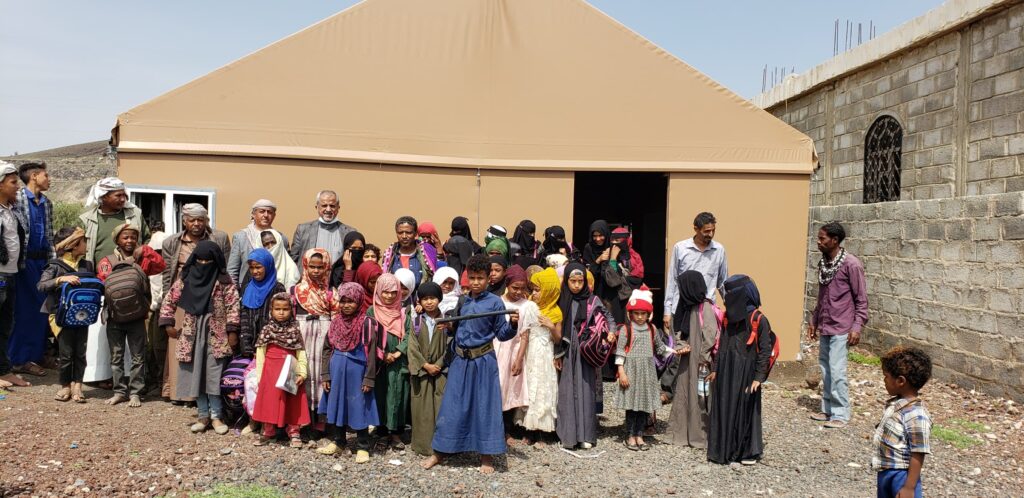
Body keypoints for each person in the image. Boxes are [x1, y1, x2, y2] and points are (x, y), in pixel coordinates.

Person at [422, 254, 517, 474]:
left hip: (483, 362)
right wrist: (449, 327)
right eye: (472, 277)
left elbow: (501, 335)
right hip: (460, 361)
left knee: (485, 407)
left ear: (488, 279)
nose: (476, 282)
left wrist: (513, 324)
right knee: (452, 406)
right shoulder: (463, 301)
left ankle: (486, 456)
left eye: (480, 278)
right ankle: (441, 452)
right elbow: (459, 328)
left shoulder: (495, 303)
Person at [159, 241, 241, 434]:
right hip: (192, 333)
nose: (204, 264)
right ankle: (203, 415)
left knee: (213, 374)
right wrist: (167, 323)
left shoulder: (224, 281)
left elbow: (233, 305)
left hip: (216, 334)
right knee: (196, 374)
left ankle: (217, 416)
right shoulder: (186, 278)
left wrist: (232, 331)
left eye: (208, 260)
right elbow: (170, 299)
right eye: (200, 260)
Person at [79, 177, 151, 385]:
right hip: (100, 281)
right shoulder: (88, 219)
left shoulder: (134, 214)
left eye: (123, 194)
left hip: (131, 280)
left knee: (133, 326)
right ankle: (101, 375)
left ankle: (131, 378)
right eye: (117, 195)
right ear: (103, 197)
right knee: (102, 330)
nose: (123, 198)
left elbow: (146, 240)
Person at [159, 203, 230, 402]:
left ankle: (202, 393)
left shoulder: (220, 238)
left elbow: (225, 268)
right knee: (180, 345)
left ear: (206, 220)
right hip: (183, 299)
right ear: (184, 221)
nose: (197, 224)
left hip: (211, 298)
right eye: (192, 220)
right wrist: (168, 308)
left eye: (201, 220)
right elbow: (168, 276)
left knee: (207, 347)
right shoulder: (171, 242)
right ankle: (176, 391)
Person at [97, 223, 167, 407]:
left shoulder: (143, 258)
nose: (130, 240)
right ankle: (119, 391)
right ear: (117, 240)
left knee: (138, 356)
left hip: (137, 317)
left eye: (133, 237)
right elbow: (103, 283)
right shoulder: (107, 262)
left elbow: (161, 265)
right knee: (116, 356)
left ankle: (135, 392)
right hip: (114, 316)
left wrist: (146, 250)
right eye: (125, 237)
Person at [808, 221, 869, 429]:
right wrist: (814, 319)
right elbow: (822, 296)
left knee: (837, 369)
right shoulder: (824, 263)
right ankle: (828, 410)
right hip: (826, 324)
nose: (818, 242)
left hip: (842, 326)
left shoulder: (851, 264)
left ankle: (841, 414)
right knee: (826, 369)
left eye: (822, 238)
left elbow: (861, 299)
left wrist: (857, 326)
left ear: (834, 240)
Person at [707, 275, 773, 465]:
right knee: (726, 406)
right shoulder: (728, 318)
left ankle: (747, 452)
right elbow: (722, 345)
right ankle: (724, 449)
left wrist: (758, 378)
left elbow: (765, 351)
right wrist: (716, 369)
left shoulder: (759, 319)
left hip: (747, 374)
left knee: (746, 410)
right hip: (727, 373)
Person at [614, 287, 687, 451]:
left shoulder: (652, 329)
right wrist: (621, 371)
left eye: (643, 313)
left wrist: (674, 351)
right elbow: (619, 352)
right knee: (632, 405)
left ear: (649, 314)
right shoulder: (626, 329)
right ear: (631, 313)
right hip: (631, 371)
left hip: (647, 372)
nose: (640, 317)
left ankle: (640, 434)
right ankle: (630, 435)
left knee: (644, 405)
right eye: (636, 313)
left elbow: (660, 348)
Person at [555, 262, 616, 450]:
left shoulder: (592, 300)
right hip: (567, 351)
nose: (576, 285)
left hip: (586, 350)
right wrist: (556, 353)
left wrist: (612, 331)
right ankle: (568, 435)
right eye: (572, 281)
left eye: (580, 281)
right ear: (566, 281)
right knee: (567, 389)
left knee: (585, 389)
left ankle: (585, 434)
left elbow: (609, 317)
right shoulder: (561, 299)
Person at [317, 282, 379, 463]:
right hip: (336, 370)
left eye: (351, 301)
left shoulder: (367, 323)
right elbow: (327, 349)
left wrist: (369, 378)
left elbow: (372, 352)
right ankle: (338, 441)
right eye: (343, 301)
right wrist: (325, 374)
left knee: (359, 406)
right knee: (337, 405)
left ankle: (362, 445)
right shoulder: (335, 323)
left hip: (357, 372)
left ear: (359, 301)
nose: (346, 305)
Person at [37, 227, 92, 402]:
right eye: (83, 241)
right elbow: (41, 285)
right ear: (74, 245)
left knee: (81, 352)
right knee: (67, 352)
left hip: (83, 315)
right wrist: (60, 279)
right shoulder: (55, 266)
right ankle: (65, 386)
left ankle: (78, 386)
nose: (85, 245)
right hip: (60, 315)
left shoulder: (87, 265)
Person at [10, 162, 54, 378]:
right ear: (34, 176)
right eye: (46, 175)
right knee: (24, 310)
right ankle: (20, 359)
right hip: (22, 263)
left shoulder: (46, 203)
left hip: (41, 263)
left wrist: (52, 264)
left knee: (41, 309)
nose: (49, 179)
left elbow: (50, 235)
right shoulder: (16, 199)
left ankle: (35, 355)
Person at [667, 271, 720, 448]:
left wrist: (704, 358)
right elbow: (677, 332)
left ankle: (700, 437)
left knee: (700, 396)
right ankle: (681, 434)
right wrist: (680, 345)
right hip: (686, 359)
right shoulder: (685, 306)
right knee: (684, 393)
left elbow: (710, 335)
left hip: (700, 361)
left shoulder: (705, 308)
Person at [252, 293, 311, 448]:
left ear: (291, 310)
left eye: (285, 309)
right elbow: (260, 354)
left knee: (292, 401)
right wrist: (260, 377)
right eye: (277, 309)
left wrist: (302, 372)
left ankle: (293, 431)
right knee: (270, 401)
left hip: (291, 369)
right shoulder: (267, 330)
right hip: (270, 372)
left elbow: (301, 352)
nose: (281, 312)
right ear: (271, 310)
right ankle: (269, 431)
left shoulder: (295, 329)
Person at [873, 347, 932, 498]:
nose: (884, 380)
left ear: (900, 381)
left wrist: (909, 487)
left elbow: (918, 452)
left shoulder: (917, 416)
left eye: (886, 376)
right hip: (886, 471)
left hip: (902, 475)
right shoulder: (896, 405)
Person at [291, 248, 339, 433]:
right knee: (303, 373)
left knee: (321, 374)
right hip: (301, 333)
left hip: (323, 336)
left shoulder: (330, 292)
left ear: (326, 267)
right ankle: (301, 417)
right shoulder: (295, 291)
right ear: (305, 266)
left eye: (320, 267)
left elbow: (336, 316)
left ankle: (320, 417)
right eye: (312, 267)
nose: (316, 271)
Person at [515, 267, 562, 445]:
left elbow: (557, 339)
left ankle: (542, 430)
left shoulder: (556, 312)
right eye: (533, 289)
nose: (534, 293)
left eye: (538, 290)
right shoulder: (530, 307)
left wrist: (550, 326)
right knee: (528, 387)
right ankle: (528, 429)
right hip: (530, 353)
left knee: (544, 390)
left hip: (546, 355)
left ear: (550, 290)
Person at [366, 273, 411, 449]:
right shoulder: (372, 311)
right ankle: (382, 432)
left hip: (399, 362)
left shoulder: (403, 312)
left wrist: (398, 352)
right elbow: (369, 337)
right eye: (385, 292)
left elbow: (409, 334)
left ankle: (396, 434)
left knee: (398, 395)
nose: (390, 296)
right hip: (379, 362)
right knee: (381, 394)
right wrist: (382, 354)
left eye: (394, 292)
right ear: (378, 291)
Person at [407, 281, 452, 456]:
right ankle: (423, 446)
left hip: (441, 372)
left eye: (432, 298)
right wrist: (425, 365)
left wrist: (439, 364)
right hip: (422, 371)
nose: (429, 302)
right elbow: (412, 347)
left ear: (439, 299)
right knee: (421, 409)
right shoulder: (416, 321)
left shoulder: (447, 321)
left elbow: (450, 345)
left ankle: (442, 447)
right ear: (420, 301)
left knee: (441, 407)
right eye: (425, 299)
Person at [582, 220, 630, 381]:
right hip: (597, 294)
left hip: (613, 296)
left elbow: (618, 276)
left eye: (601, 235)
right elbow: (588, 275)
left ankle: (612, 370)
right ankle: (597, 368)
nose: (598, 239)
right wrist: (598, 261)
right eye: (594, 236)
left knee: (613, 328)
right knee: (597, 329)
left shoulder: (614, 249)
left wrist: (611, 258)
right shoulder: (588, 249)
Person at [664, 212, 728, 328]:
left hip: (707, 311)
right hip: (681, 310)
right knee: (681, 345)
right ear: (696, 229)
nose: (711, 234)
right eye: (706, 231)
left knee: (707, 345)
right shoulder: (681, 248)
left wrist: (730, 306)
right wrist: (667, 311)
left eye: (713, 230)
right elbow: (672, 280)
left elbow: (723, 282)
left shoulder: (719, 250)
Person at [0, 163, 28, 388]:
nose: (17, 187)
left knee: (5, 325)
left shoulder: (11, 210)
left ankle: (3, 371)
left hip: (10, 274)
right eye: (12, 182)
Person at [495, 265, 529, 444]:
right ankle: (495, 429)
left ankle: (507, 431)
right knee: (497, 388)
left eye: (522, 288)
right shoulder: (497, 302)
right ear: (507, 284)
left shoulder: (527, 305)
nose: (518, 292)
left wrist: (519, 358)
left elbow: (525, 335)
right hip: (497, 348)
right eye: (515, 287)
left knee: (510, 390)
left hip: (515, 351)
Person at [227, 199, 290, 284]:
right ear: (253, 214)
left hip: (275, 289)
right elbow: (232, 270)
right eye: (262, 211)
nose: (266, 215)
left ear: (274, 215)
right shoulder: (241, 237)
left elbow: (287, 267)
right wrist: (234, 294)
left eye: (270, 212)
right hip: (247, 288)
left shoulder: (281, 238)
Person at [239, 249, 287, 359]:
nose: (255, 271)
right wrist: (246, 347)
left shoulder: (277, 288)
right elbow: (244, 318)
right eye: (251, 268)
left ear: (268, 266)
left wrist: (263, 346)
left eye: (258, 267)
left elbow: (279, 320)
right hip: (249, 347)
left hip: (270, 345)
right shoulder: (248, 288)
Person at [290, 190, 356, 268]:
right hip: (308, 280)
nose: (328, 209)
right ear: (317, 207)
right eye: (324, 205)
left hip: (338, 279)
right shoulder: (303, 230)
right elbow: (293, 259)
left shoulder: (350, 233)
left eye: (332, 206)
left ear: (338, 207)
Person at [143, 225, 168, 396]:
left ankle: (160, 381)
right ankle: (150, 380)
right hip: (148, 310)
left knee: (159, 346)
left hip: (161, 310)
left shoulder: (166, 265)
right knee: (147, 346)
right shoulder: (146, 264)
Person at [381, 216, 437, 287]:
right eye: (400, 233)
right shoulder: (389, 255)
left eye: (408, 232)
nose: (404, 236)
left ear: (416, 233)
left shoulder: (427, 251)